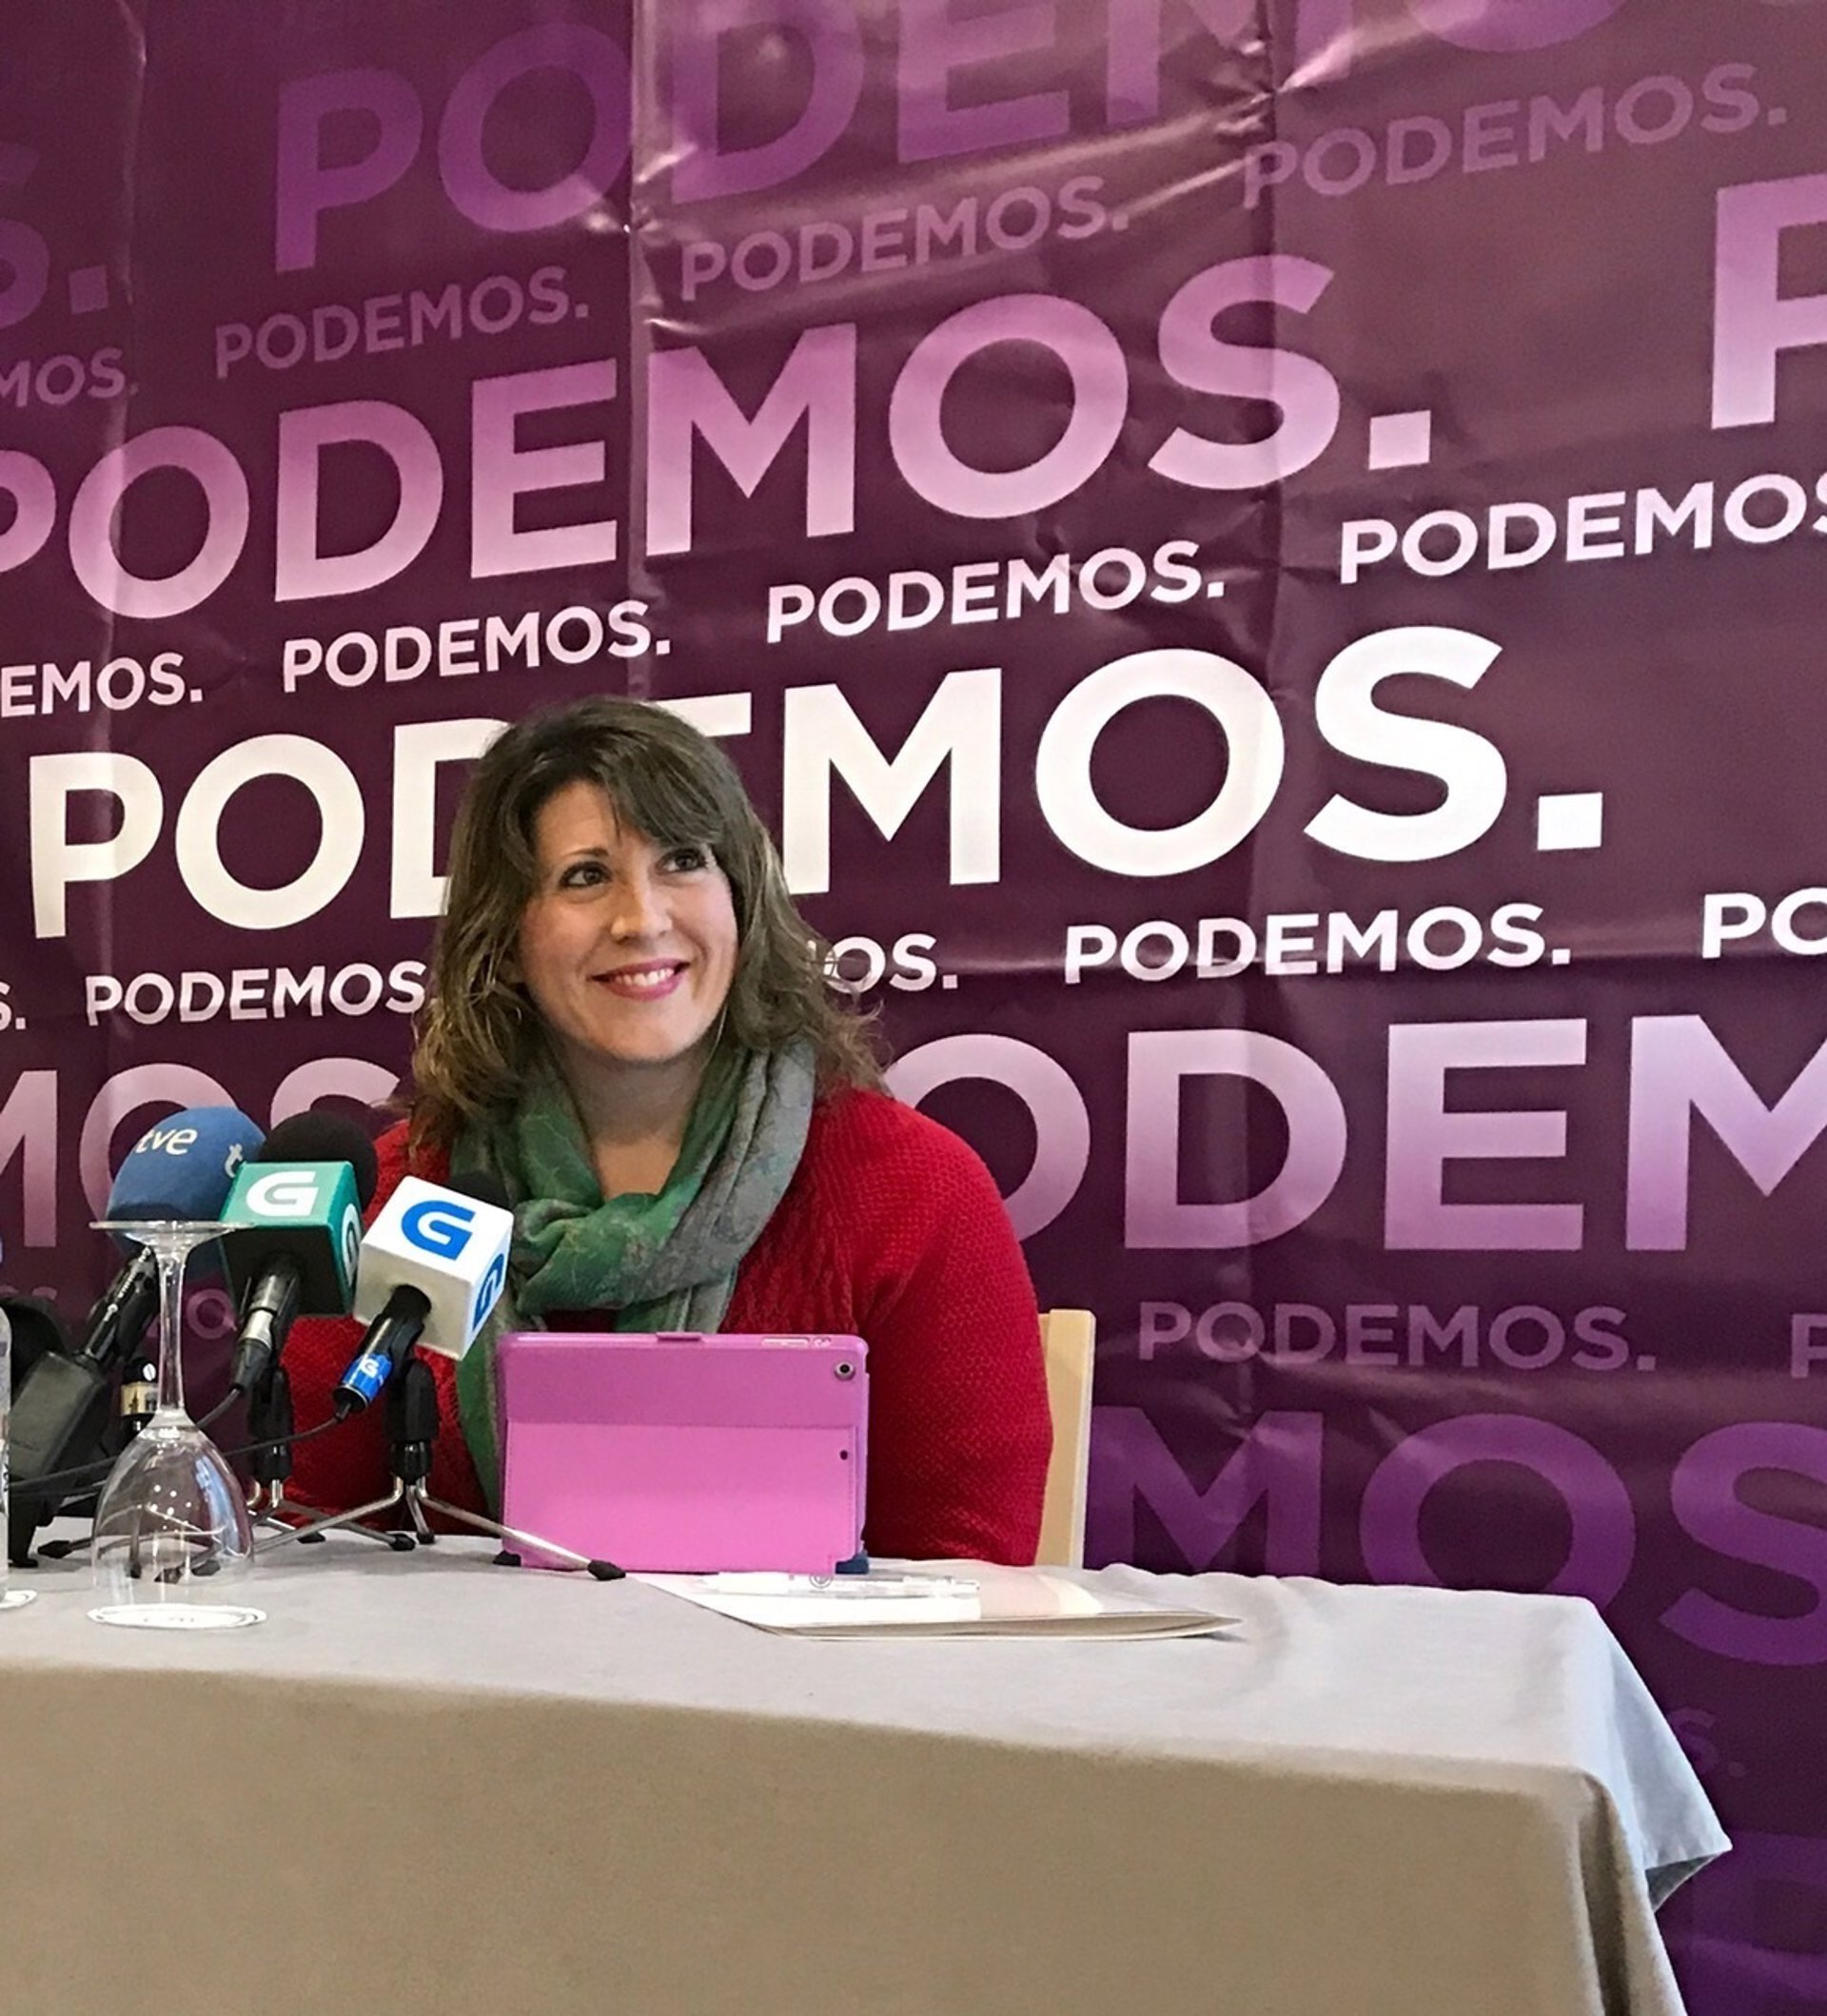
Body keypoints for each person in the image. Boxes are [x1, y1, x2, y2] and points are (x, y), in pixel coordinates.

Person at [282, 695, 1052, 1563]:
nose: (642, 919)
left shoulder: (910, 1191)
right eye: (585, 876)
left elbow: (966, 1572)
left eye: (683, 860)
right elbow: (312, 1532)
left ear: (742, 901)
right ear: (506, 935)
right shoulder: (406, 1195)